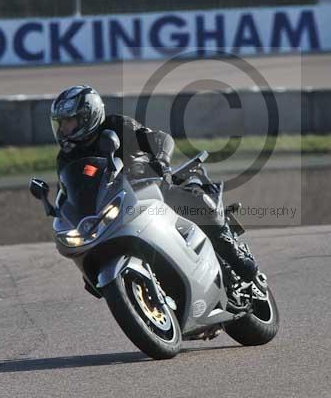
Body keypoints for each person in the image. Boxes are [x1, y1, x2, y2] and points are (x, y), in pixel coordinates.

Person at [49, 85, 266, 292]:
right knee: (90, 276)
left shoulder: (116, 125)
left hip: (147, 184)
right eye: (61, 123)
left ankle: (232, 250)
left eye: (69, 121)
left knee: (192, 202)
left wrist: (160, 160)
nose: (64, 128)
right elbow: (70, 191)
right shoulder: (67, 157)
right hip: (115, 203)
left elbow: (160, 139)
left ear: (88, 115)